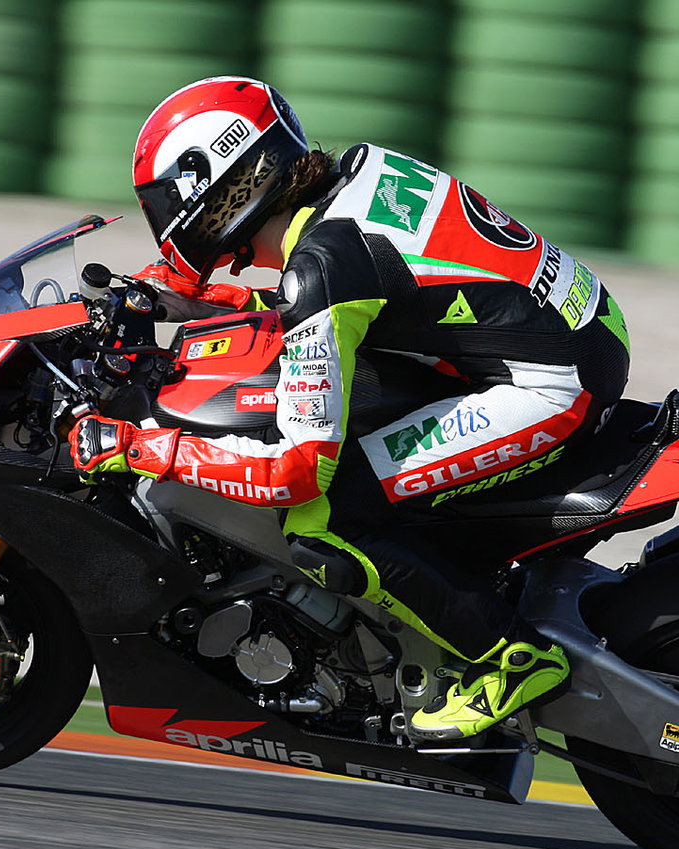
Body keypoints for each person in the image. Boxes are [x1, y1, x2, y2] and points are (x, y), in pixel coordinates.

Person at [70, 76, 630, 742]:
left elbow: (295, 471)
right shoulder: (350, 179)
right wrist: (192, 303)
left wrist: (140, 448)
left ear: (222, 186)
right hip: (581, 329)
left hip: (551, 385)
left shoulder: (322, 266)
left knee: (323, 514)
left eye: (168, 202)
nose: (167, 221)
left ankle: (510, 655)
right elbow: (348, 301)